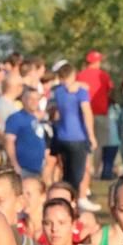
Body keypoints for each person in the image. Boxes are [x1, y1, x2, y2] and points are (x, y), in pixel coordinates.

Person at [50, 64, 95, 205]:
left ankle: (63, 199)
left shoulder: (58, 92)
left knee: (66, 173)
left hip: (62, 136)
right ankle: (72, 202)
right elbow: (87, 113)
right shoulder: (80, 92)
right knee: (77, 174)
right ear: (73, 74)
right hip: (78, 136)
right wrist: (92, 135)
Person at [78, 51, 116, 179]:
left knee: (86, 142)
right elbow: (110, 90)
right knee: (98, 144)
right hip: (100, 112)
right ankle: (96, 171)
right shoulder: (103, 75)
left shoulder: (80, 75)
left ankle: (87, 169)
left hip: (83, 113)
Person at [4, 88, 47, 178]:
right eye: (31, 99)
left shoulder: (37, 119)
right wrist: (15, 165)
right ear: (23, 100)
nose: (34, 102)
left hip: (38, 168)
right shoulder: (16, 118)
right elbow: (9, 142)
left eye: (37, 99)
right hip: (23, 168)